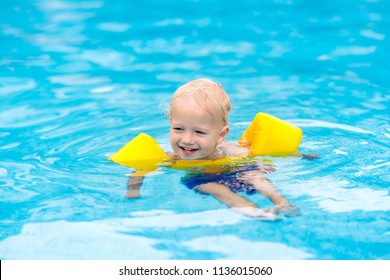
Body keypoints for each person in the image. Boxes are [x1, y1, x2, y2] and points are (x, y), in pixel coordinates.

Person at [125, 79, 314, 220]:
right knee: (214, 188)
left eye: (199, 132)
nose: (187, 139)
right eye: (178, 129)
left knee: (255, 175)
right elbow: (140, 171)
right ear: (170, 122)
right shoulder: (171, 158)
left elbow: (259, 155)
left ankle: (281, 202)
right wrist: (133, 190)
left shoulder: (230, 151)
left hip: (237, 171)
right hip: (204, 178)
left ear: (221, 135)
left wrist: (301, 155)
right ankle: (253, 211)